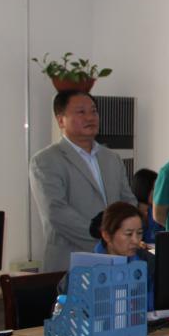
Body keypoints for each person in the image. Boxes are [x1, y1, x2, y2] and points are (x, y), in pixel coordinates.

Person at [30, 91, 136, 272]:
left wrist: (124, 235)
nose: (90, 117)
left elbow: (128, 201)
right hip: (70, 263)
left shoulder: (112, 158)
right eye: (81, 112)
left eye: (94, 111)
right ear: (61, 120)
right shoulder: (46, 160)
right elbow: (56, 212)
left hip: (116, 261)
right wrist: (106, 238)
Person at [59, 201, 155, 310]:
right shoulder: (84, 269)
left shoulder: (148, 263)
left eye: (139, 233)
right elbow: (66, 307)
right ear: (106, 235)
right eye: (129, 234)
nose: (136, 240)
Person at [131, 168, 163, 246]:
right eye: (154, 189)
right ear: (143, 188)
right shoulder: (129, 214)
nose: (159, 193)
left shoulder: (156, 212)